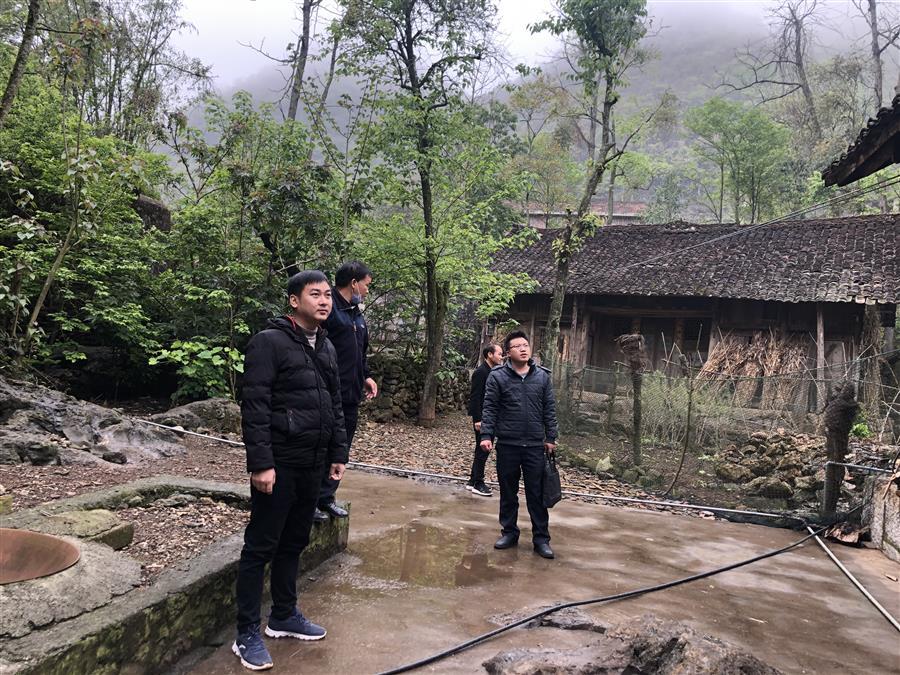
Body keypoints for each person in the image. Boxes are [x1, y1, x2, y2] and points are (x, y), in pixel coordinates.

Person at [233, 270, 348, 671]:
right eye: (315, 294)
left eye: (328, 295)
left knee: (295, 540)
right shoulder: (269, 342)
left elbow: (334, 403)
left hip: (313, 461)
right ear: (294, 301)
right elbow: (255, 405)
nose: (324, 301)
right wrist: (261, 463)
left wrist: (337, 452)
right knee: (261, 545)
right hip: (279, 462)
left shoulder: (326, 346)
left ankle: (283, 614)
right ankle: (246, 632)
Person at [479, 330, 558, 559]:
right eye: (517, 346)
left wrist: (550, 438)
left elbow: (549, 409)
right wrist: (486, 435)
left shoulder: (542, 377)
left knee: (536, 494)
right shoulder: (497, 377)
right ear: (508, 352)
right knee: (508, 492)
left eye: (526, 345)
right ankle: (509, 533)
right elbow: (490, 407)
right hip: (508, 444)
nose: (523, 349)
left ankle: (541, 539)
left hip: (534, 445)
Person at [314, 260, 378, 522]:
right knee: (321, 446)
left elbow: (359, 351)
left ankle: (327, 497)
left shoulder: (356, 313)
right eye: (366, 284)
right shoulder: (329, 310)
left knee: (341, 448)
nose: (367, 290)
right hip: (326, 392)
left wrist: (366, 376)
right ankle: (310, 500)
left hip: (350, 395)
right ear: (353, 283)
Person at [466, 343, 503, 497]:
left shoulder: (493, 371)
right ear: (489, 354)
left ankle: (472, 480)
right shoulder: (481, 372)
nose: (501, 357)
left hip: (490, 416)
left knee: (480, 449)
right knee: (483, 449)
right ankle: (478, 482)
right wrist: (477, 419)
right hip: (483, 418)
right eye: (499, 354)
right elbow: (475, 397)